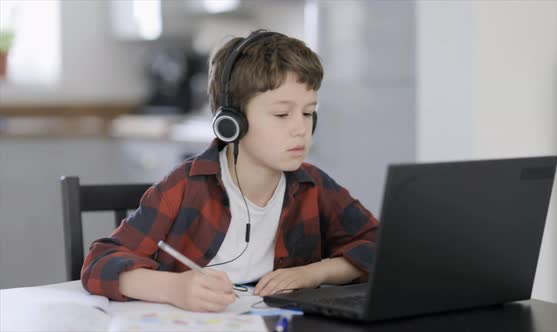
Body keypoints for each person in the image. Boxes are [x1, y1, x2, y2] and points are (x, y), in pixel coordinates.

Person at [81, 29, 378, 313]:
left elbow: (382, 247)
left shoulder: (314, 186)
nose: (300, 129)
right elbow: (98, 264)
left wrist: (312, 274)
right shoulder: (186, 186)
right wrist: (173, 288)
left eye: (308, 112)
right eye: (281, 114)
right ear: (231, 122)